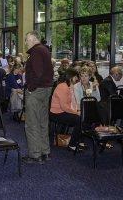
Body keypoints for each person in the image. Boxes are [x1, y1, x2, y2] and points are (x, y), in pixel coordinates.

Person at [23, 30, 54, 164]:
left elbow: (38, 73)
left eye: (27, 40)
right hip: (46, 89)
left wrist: (30, 88)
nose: (26, 43)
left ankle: (35, 154)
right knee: (42, 121)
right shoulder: (45, 50)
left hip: (37, 91)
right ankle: (45, 152)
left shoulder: (36, 52)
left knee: (32, 123)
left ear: (34, 39)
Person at [50, 68, 82, 151]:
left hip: (62, 111)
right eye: (76, 77)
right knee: (79, 119)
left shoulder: (68, 86)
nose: (77, 79)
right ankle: (72, 144)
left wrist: (77, 110)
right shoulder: (63, 87)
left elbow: (72, 102)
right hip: (56, 113)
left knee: (81, 118)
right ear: (71, 77)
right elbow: (64, 106)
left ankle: (77, 141)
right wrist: (76, 112)